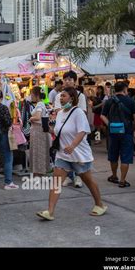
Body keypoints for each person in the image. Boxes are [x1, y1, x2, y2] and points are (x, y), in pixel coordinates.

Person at [37, 87, 107, 221]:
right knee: (56, 182)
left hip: (79, 155)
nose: (60, 98)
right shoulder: (60, 113)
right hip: (63, 155)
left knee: (89, 181)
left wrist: (73, 145)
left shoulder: (78, 112)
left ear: (72, 98)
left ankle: (99, 204)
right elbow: (59, 131)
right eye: (60, 96)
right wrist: (48, 129)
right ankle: (50, 211)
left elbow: (83, 131)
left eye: (63, 96)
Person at [101, 81, 135, 188]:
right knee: (125, 156)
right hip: (127, 132)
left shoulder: (109, 101)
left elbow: (102, 116)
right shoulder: (130, 101)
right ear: (125, 89)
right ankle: (122, 180)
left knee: (113, 155)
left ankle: (114, 176)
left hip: (113, 133)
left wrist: (111, 125)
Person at [53, 71, 86, 188]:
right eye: (65, 79)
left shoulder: (80, 95)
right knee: (64, 154)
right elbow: (58, 111)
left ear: (75, 81)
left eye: (70, 79)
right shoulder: (58, 96)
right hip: (63, 130)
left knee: (77, 155)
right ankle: (68, 176)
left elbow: (83, 112)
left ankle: (78, 177)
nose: (67, 81)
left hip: (76, 130)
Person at [29, 86, 51, 177]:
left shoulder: (39, 104)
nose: (31, 96)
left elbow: (37, 117)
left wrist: (31, 118)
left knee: (37, 152)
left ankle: (37, 173)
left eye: (32, 94)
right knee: (40, 151)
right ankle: (40, 172)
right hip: (40, 130)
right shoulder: (41, 104)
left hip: (38, 131)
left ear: (36, 95)